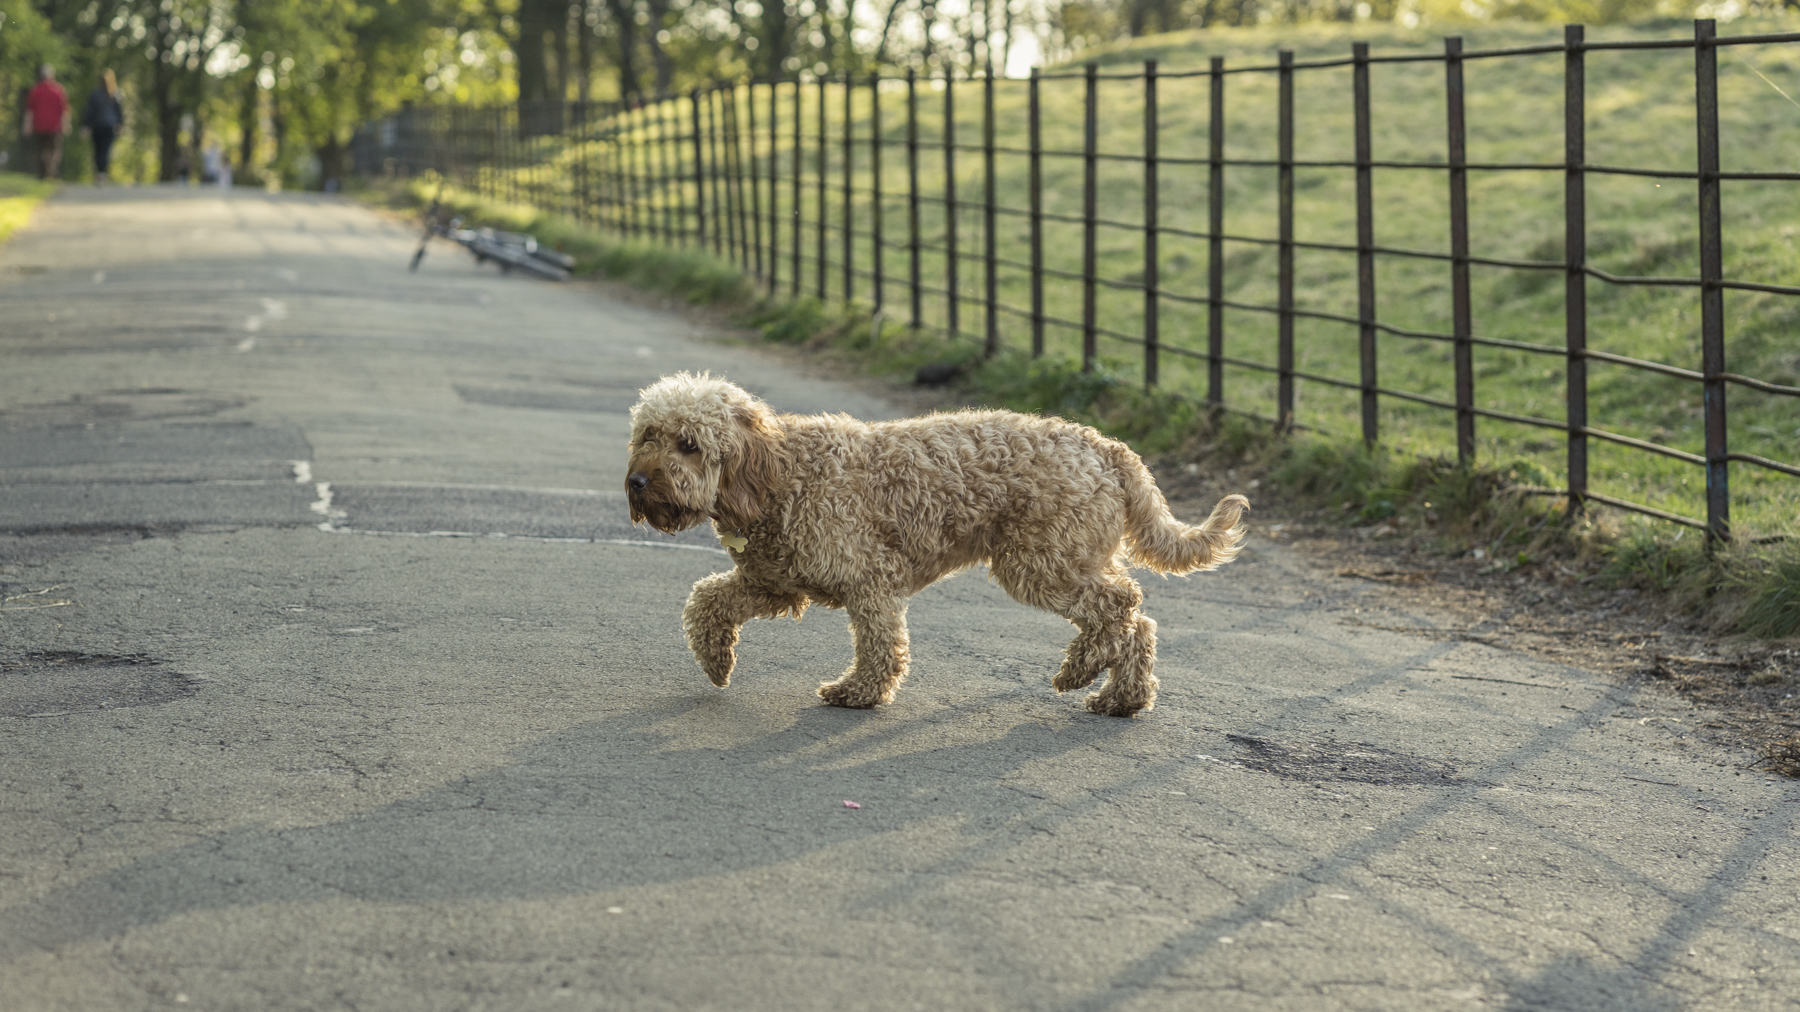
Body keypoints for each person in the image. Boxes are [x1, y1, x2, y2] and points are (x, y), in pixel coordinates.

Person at [23, 64, 70, 180]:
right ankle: (51, 171)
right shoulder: (59, 90)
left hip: (39, 125)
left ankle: (44, 173)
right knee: (55, 150)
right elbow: (64, 110)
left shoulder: (35, 90)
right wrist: (66, 125)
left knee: (42, 150)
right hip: (54, 126)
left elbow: (30, 111)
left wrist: (27, 126)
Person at [80, 69, 123, 184]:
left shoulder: (113, 94)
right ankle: (101, 173)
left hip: (102, 127)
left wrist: (86, 126)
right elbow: (119, 113)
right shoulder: (104, 95)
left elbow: (119, 113)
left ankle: (101, 173)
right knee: (103, 151)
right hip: (104, 127)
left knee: (100, 151)